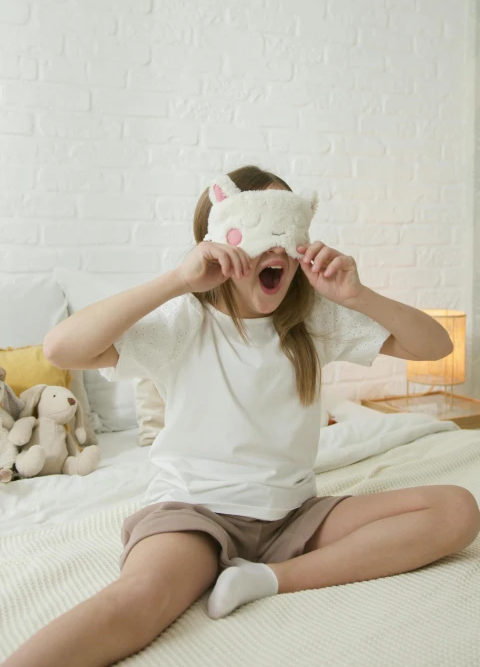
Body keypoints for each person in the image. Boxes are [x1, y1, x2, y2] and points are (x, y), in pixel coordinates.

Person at [6, 165, 480, 667]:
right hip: (196, 510)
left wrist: (357, 295)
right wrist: (176, 280)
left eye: (288, 229)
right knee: (138, 599)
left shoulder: (314, 320)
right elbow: (60, 349)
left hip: (293, 514)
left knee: (456, 510)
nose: (277, 246)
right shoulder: (185, 321)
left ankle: (266, 579)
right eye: (260, 228)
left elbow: (436, 345)